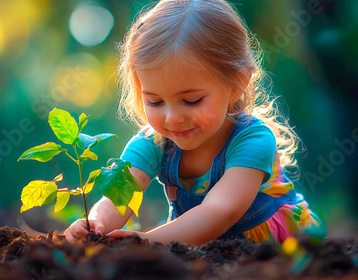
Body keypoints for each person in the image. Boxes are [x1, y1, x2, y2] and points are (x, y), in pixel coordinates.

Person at [65, 0, 326, 245]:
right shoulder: (151, 143)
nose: (172, 118)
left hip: (273, 248)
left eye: (191, 101)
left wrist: (146, 240)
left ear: (236, 85)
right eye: (155, 102)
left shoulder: (253, 140)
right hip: (199, 247)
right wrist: (96, 223)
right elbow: (119, 196)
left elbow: (219, 212)